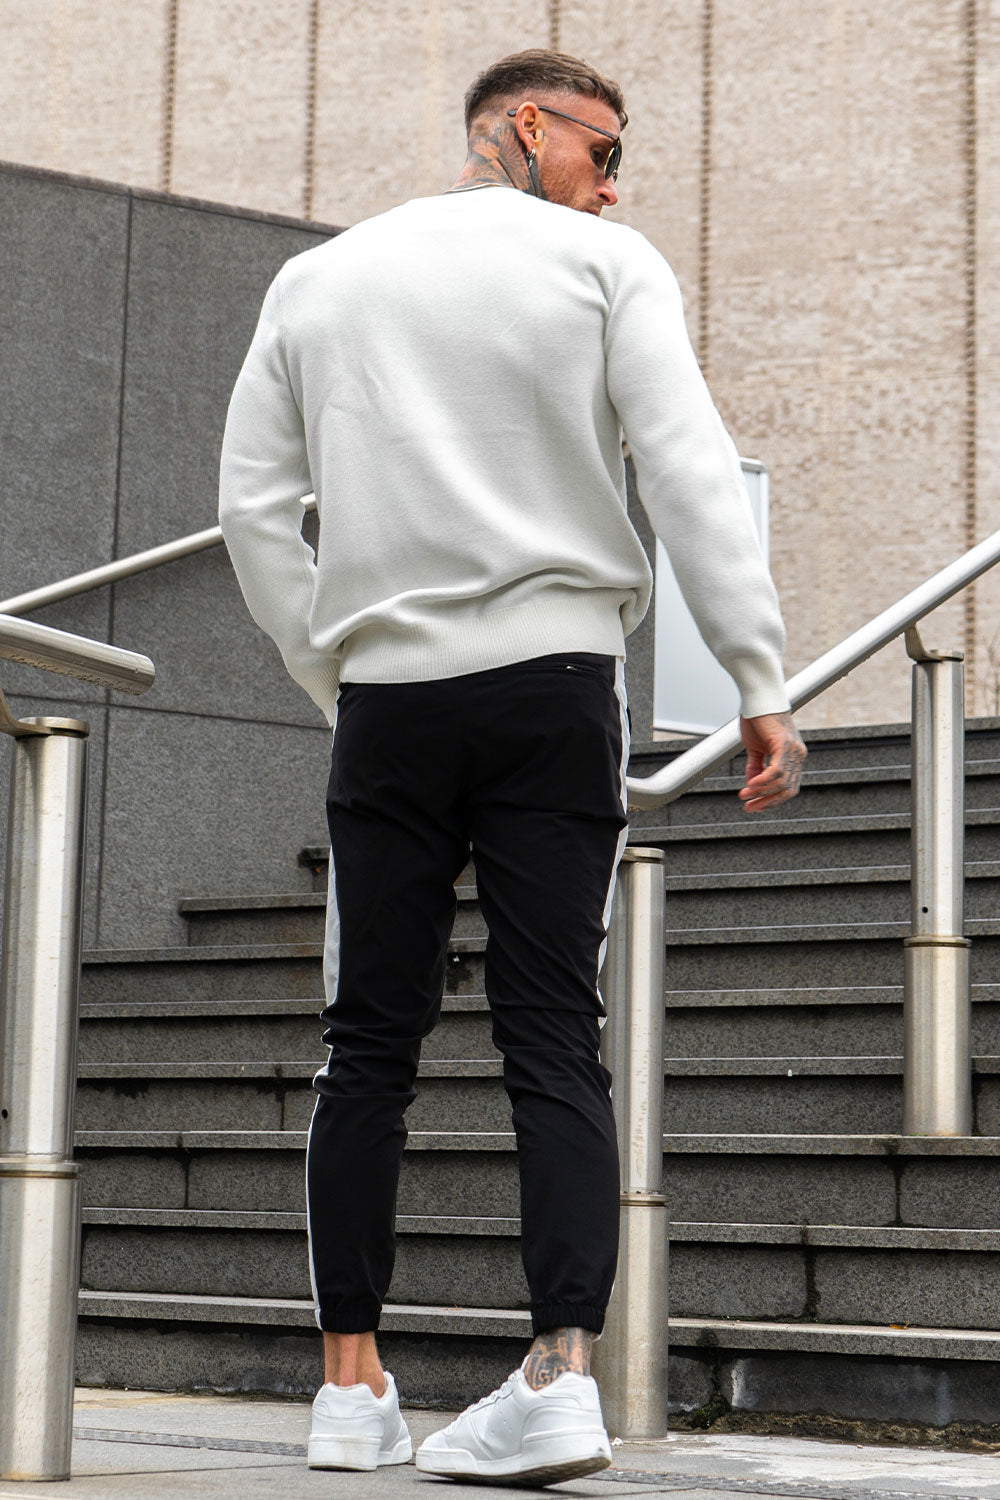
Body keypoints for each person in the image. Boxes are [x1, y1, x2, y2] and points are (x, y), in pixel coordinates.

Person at [219, 46, 806, 1486]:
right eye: (604, 151)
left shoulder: (321, 280)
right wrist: (758, 677)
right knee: (552, 1028)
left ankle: (349, 1390)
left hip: (389, 701)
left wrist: (333, 671)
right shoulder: (606, 270)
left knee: (367, 1040)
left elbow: (252, 509)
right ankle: (557, 1376)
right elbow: (685, 465)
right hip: (555, 685)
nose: (612, 187)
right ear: (525, 124)